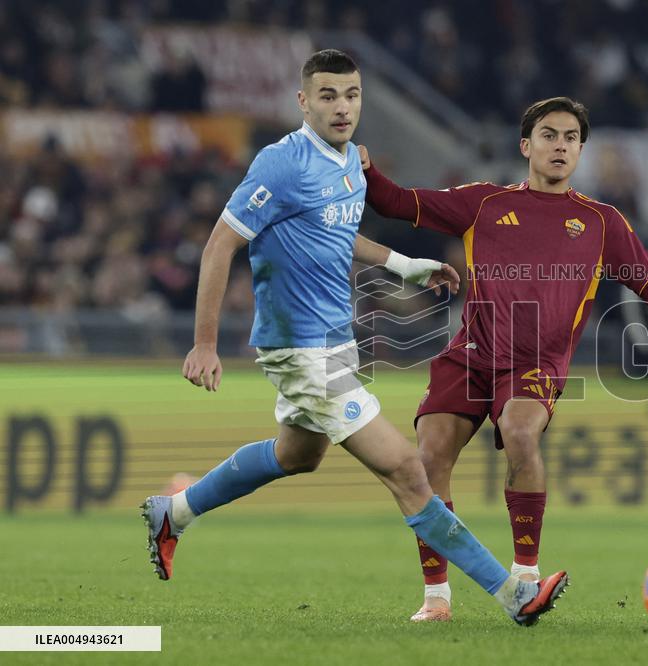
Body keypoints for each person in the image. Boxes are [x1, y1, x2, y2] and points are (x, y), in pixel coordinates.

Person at [140, 49, 568, 627]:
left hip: (334, 341)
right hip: (302, 348)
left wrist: (405, 263)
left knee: (298, 454)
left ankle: (176, 511)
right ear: (303, 101)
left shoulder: (348, 163)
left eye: (352, 95)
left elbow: (338, 234)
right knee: (409, 471)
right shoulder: (280, 164)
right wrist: (205, 342)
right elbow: (220, 243)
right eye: (328, 96)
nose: (343, 108)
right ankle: (513, 594)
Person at [360, 96, 648, 622]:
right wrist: (365, 169)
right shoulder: (483, 203)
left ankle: (525, 579)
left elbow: (645, 276)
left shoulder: (600, 221)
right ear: (526, 146)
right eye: (550, 135)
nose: (561, 146)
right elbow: (396, 203)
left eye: (571, 138)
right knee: (429, 458)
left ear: (580, 151)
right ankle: (436, 597)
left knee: (522, 433)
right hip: (472, 353)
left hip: (536, 363)